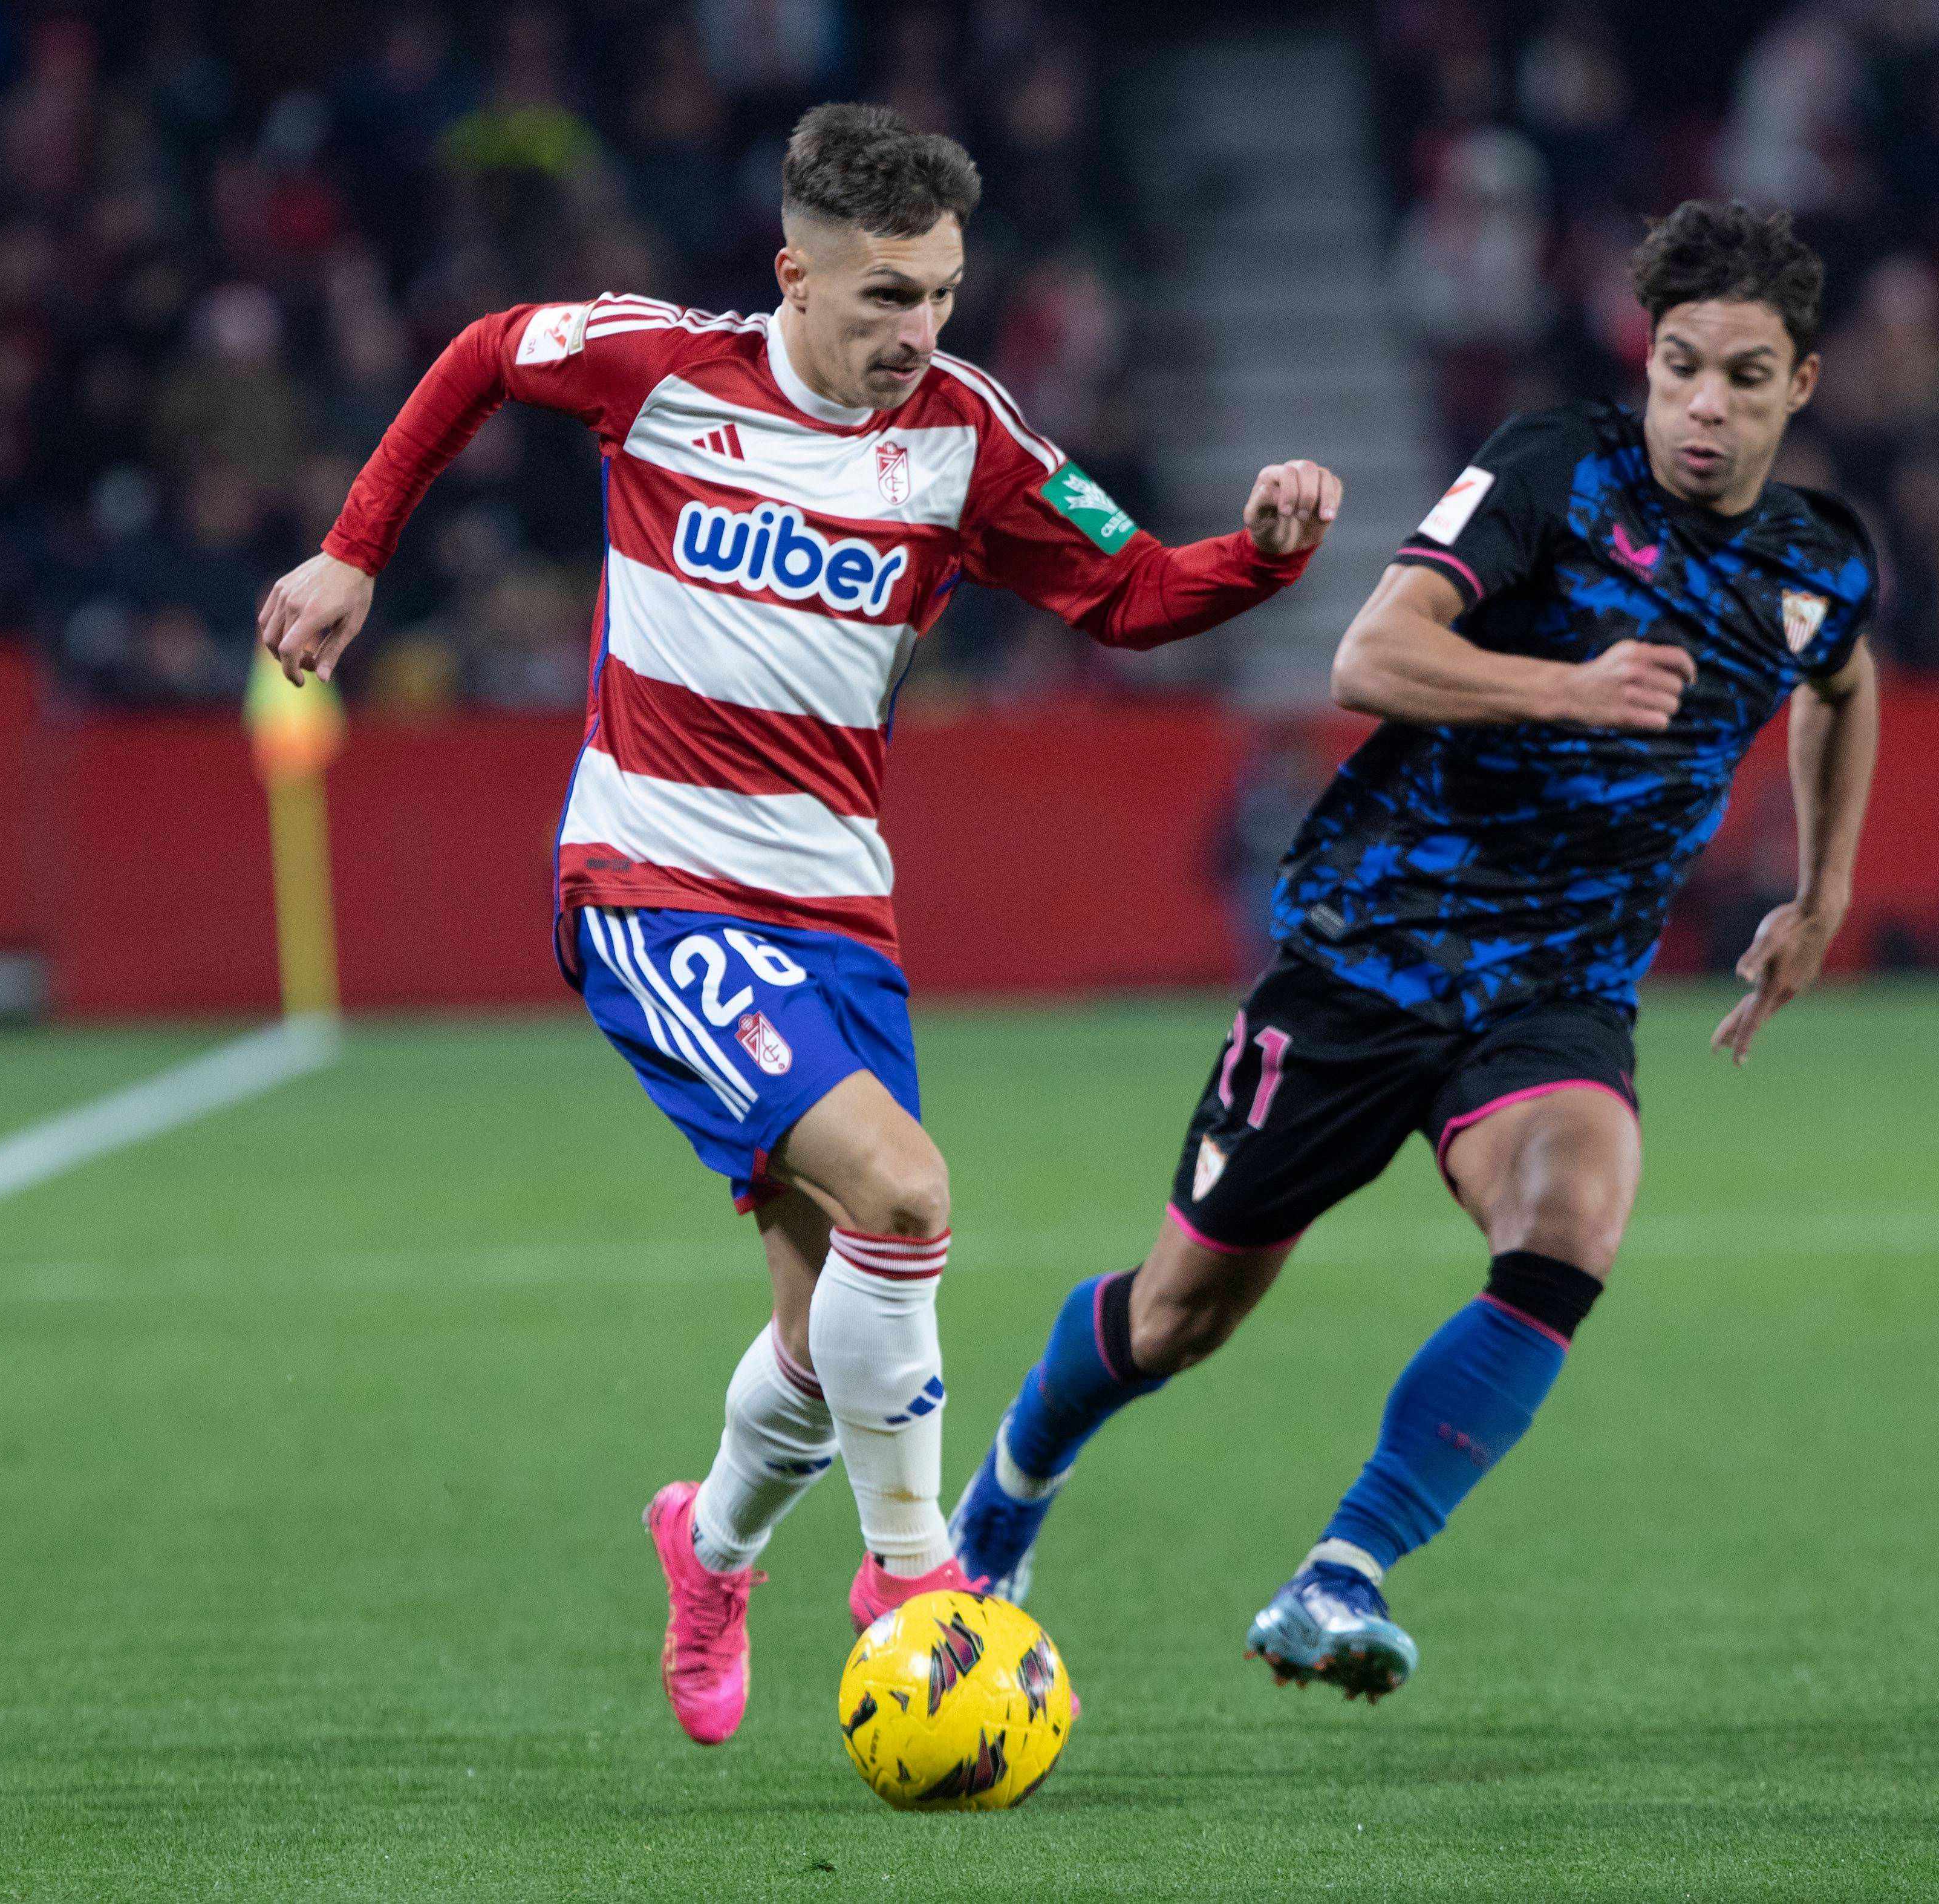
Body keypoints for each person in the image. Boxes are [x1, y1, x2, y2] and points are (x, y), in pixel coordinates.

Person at [254, 104, 1338, 1744]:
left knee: (827, 1329)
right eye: (884, 295)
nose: (916, 333)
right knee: (906, 1194)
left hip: (835, 908)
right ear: (794, 272)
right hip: (648, 877)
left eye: (941, 297)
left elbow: (1126, 593)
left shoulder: (968, 436)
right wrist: (353, 552)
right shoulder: (659, 368)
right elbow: (482, 352)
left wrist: (1258, 560)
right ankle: (916, 1583)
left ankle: (711, 1541)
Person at [945, 200, 1879, 1697]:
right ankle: (1002, 1495)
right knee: (1183, 1313)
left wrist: (1821, 891)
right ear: (1646, 360)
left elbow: (1840, 680)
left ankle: (1343, 1568)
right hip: (1368, 949)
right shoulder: (1552, 473)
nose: (1704, 406)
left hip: (1556, 987)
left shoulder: (1813, 559)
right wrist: (1568, 689)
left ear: (1802, 386)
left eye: (1746, 378)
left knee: (1575, 1211)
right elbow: (1368, 653)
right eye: (1682, 366)